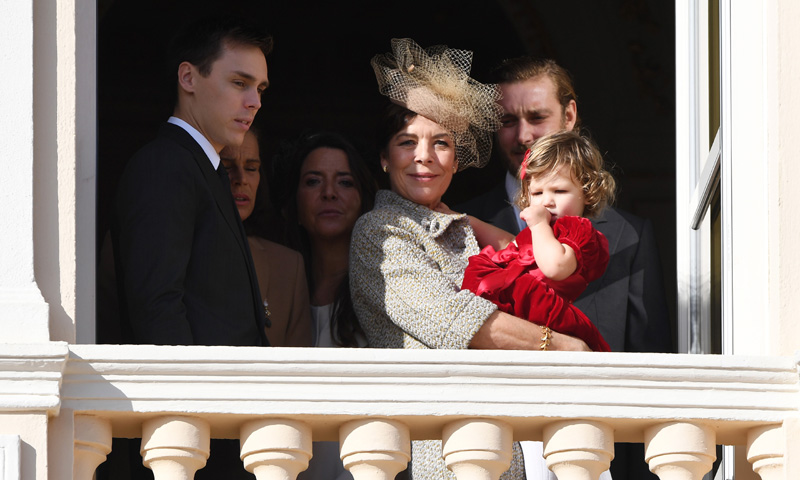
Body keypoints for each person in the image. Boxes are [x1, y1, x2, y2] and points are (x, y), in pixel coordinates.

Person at [349, 38, 591, 480]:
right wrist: (560, 346)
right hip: (435, 454)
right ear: (384, 158)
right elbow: (452, 318)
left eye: (441, 143)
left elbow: (526, 265)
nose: (424, 157)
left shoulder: (460, 229)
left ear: (456, 160)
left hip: (500, 447)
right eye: (407, 143)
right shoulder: (379, 231)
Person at [456, 55, 670, 480]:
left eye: (537, 116)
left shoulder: (629, 234)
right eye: (507, 121)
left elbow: (651, 366)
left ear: (569, 115)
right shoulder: (461, 225)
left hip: (596, 454)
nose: (523, 135)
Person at [108, 15, 272, 480]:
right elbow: (158, 309)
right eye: (239, 82)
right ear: (188, 78)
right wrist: (196, 427)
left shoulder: (202, 167)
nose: (253, 101)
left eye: (260, 88)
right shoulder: (166, 165)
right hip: (192, 446)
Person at [461, 131, 615, 353]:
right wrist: (468, 221)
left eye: (559, 191)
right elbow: (508, 245)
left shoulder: (577, 229)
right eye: (537, 192)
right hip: (518, 309)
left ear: (587, 192)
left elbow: (555, 267)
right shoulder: (544, 232)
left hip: (543, 312)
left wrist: (539, 226)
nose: (547, 201)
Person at [220, 128, 313, 347]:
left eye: (251, 168)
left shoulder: (288, 265)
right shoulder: (183, 251)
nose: (241, 179)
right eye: (226, 167)